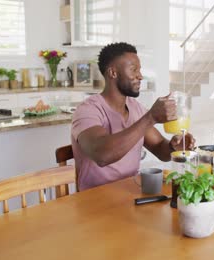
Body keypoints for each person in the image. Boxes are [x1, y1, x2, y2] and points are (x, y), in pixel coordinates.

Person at [71, 42, 195, 191]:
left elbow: (159, 148)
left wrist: (173, 146)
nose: (140, 76)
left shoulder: (135, 108)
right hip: (94, 198)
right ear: (113, 73)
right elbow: (102, 155)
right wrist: (150, 118)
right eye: (133, 69)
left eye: (139, 70)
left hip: (130, 191)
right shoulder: (88, 110)